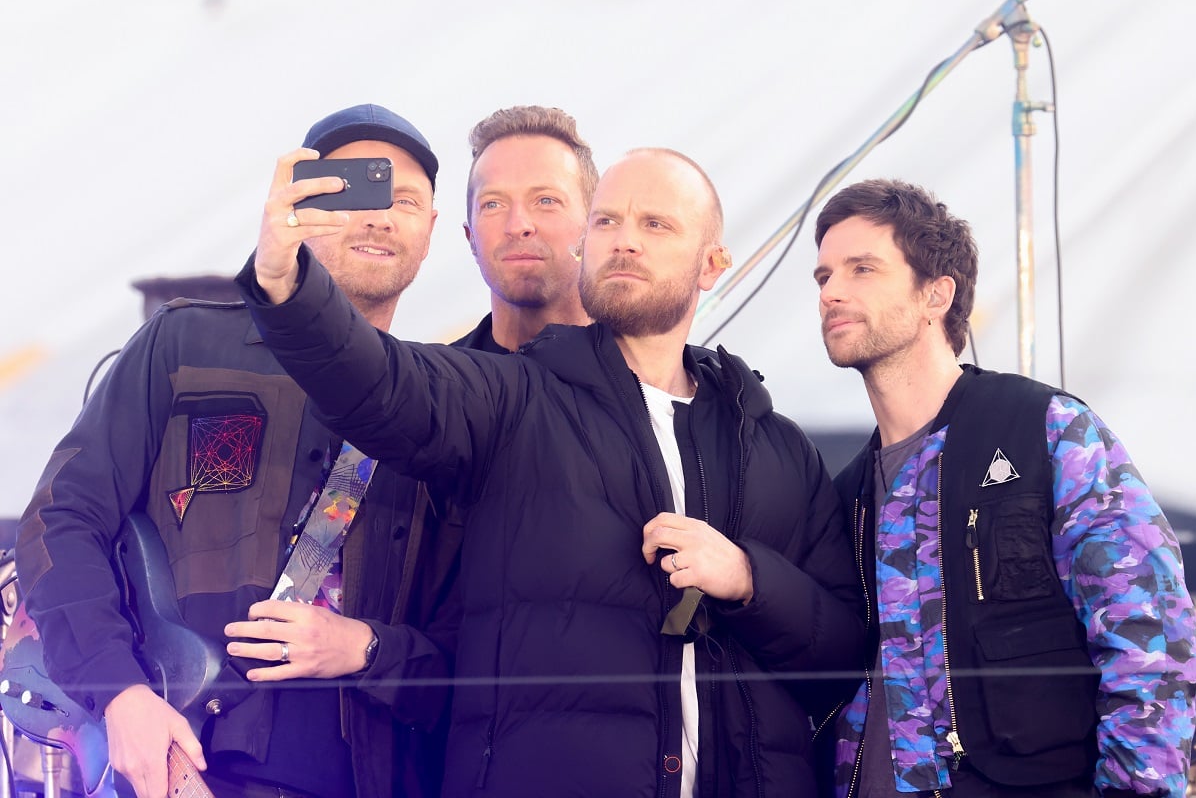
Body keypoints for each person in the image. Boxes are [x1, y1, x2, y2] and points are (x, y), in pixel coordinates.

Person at [237, 147, 865, 796]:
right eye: (606, 222)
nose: (624, 240)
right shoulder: (513, 397)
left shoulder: (780, 449)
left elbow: (842, 660)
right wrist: (285, 280)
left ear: (713, 264)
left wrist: (747, 578)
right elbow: (381, 382)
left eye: (656, 224)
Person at [15, 104, 458, 798]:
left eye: (404, 201)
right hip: (179, 765)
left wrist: (368, 650)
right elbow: (60, 521)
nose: (379, 218)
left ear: (432, 233)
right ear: (300, 208)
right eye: (356, 194)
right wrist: (120, 692)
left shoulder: (444, 405)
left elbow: (476, 640)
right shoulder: (186, 347)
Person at [811, 178, 1196, 798]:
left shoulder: (1044, 430)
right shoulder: (843, 495)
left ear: (936, 293)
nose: (832, 291)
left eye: (862, 269)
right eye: (824, 275)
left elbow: (1151, 638)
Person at [455, 105, 594, 353]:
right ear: (470, 238)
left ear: (594, 228)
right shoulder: (438, 386)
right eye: (493, 204)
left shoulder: (659, 378)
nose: (518, 226)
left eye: (546, 200)